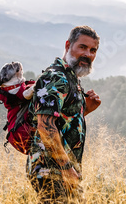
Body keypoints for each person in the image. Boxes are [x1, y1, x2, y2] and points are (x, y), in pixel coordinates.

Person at [27, 26, 101, 203]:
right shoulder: (56, 77)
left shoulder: (70, 78)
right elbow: (45, 126)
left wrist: (86, 109)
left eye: (93, 50)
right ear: (68, 45)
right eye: (82, 47)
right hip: (52, 170)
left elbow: (61, 122)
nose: (88, 54)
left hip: (61, 170)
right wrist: (66, 167)